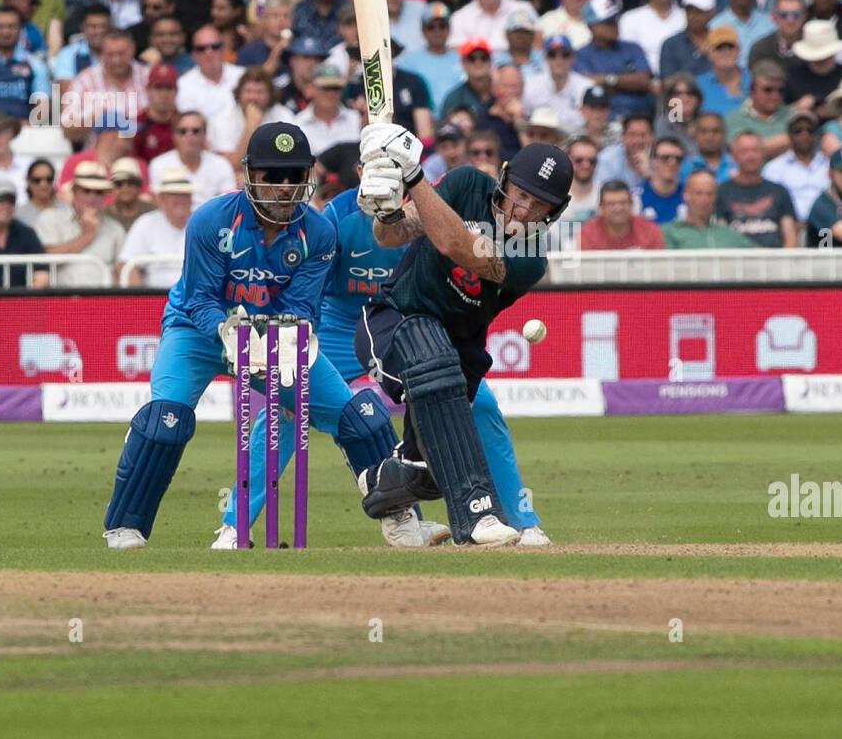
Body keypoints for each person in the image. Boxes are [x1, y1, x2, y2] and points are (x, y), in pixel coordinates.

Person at [103, 121, 409, 549]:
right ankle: (125, 525)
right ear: (250, 173)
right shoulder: (211, 221)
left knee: (360, 417)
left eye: (293, 177)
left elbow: (302, 305)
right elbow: (200, 299)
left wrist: (280, 334)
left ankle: (401, 520)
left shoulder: (318, 233)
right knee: (164, 423)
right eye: (272, 177)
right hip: (198, 333)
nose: (284, 188)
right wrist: (226, 329)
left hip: (274, 339)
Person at [349, 127, 571, 546]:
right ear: (503, 179)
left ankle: (379, 485)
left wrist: (413, 176)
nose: (522, 210)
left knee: (428, 472)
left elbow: (457, 245)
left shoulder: (530, 259)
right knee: (433, 357)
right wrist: (387, 211)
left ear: (554, 213)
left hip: (458, 351)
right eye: (518, 194)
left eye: (538, 205)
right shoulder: (467, 182)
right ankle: (477, 514)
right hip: (397, 321)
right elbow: (391, 236)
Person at [33, 160, 126, 287]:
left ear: (105, 196)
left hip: (102, 302)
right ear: (74, 191)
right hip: (62, 301)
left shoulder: (115, 229)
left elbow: (122, 274)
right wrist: (86, 236)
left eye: (98, 192)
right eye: (86, 191)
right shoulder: (50, 218)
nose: (92, 198)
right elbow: (45, 261)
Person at [715, 130, 796, 247]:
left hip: (774, 262)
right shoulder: (721, 192)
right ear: (733, 156)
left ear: (763, 153)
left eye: (755, 150)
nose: (750, 156)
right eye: (744, 151)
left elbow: (790, 238)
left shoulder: (779, 191)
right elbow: (720, 238)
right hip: (735, 261)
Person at [147, 110, 237, 208]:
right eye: (182, 131)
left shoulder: (221, 165)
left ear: (204, 135)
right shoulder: (158, 164)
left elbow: (227, 204)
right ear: (173, 136)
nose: (189, 136)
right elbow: (159, 202)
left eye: (195, 131)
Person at [577, 179, 665, 250]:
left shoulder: (650, 231)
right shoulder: (588, 234)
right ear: (601, 207)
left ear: (632, 204)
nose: (618, 209)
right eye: (611, 204)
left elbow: (658, 268)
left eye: (623, 203)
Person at [638, 137, 686, 224]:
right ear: (653, 161)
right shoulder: (636, 197)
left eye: (678, 159)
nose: (672, 163)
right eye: (665, 158)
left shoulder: (689, 197)